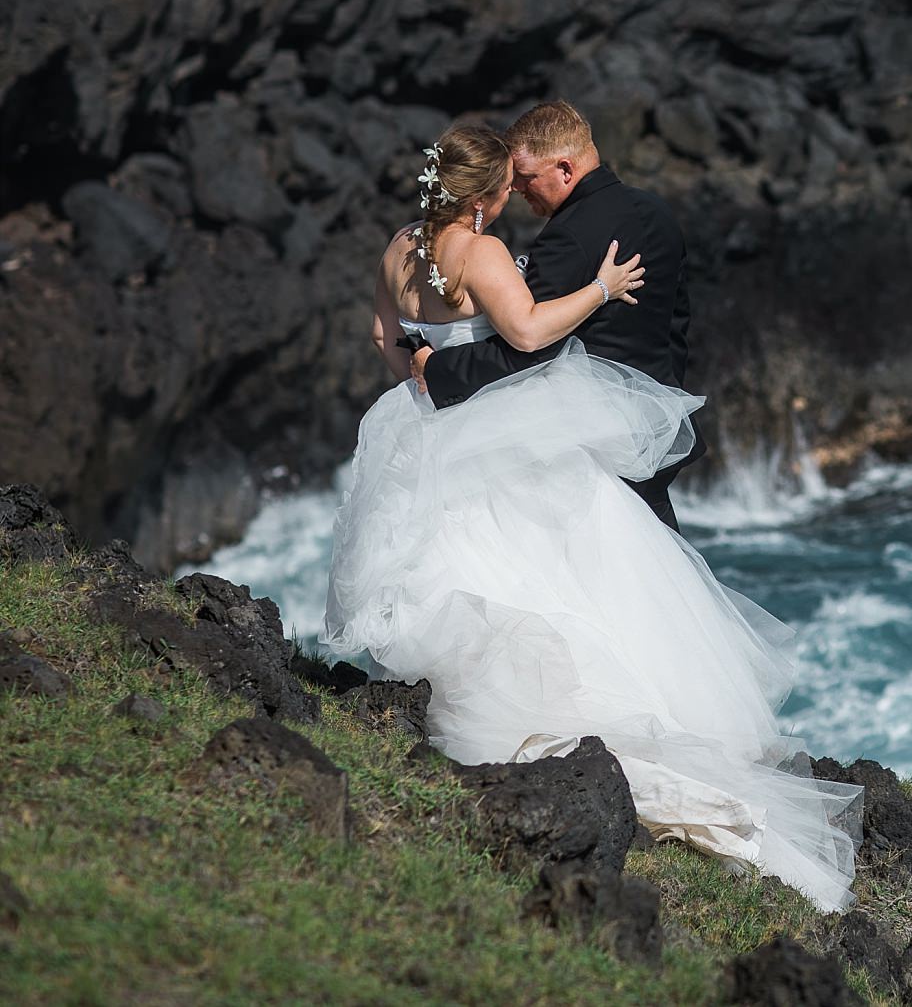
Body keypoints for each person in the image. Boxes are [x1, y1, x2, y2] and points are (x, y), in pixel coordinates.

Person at [325, 120, 863, 913]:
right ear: (486, 195)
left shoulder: (399, 248)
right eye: (508, 187)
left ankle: (435, 703)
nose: (517, 198)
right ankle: (579, 730)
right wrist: (602, 291)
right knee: (554, 569)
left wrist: (418, 375)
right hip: (484, 431)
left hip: (416, 425)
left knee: (439, 562)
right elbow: (530, 332)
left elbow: (384, 335)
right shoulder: (485, 254)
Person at [411, 100, 703, 530]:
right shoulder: (658, 213)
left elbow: (529, 348)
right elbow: (676, 324)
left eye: (526, 178)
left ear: (565, 170)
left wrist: (437, 368)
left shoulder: (568, 237)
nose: (516, 190)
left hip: (589, 443)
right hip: (656, 426)